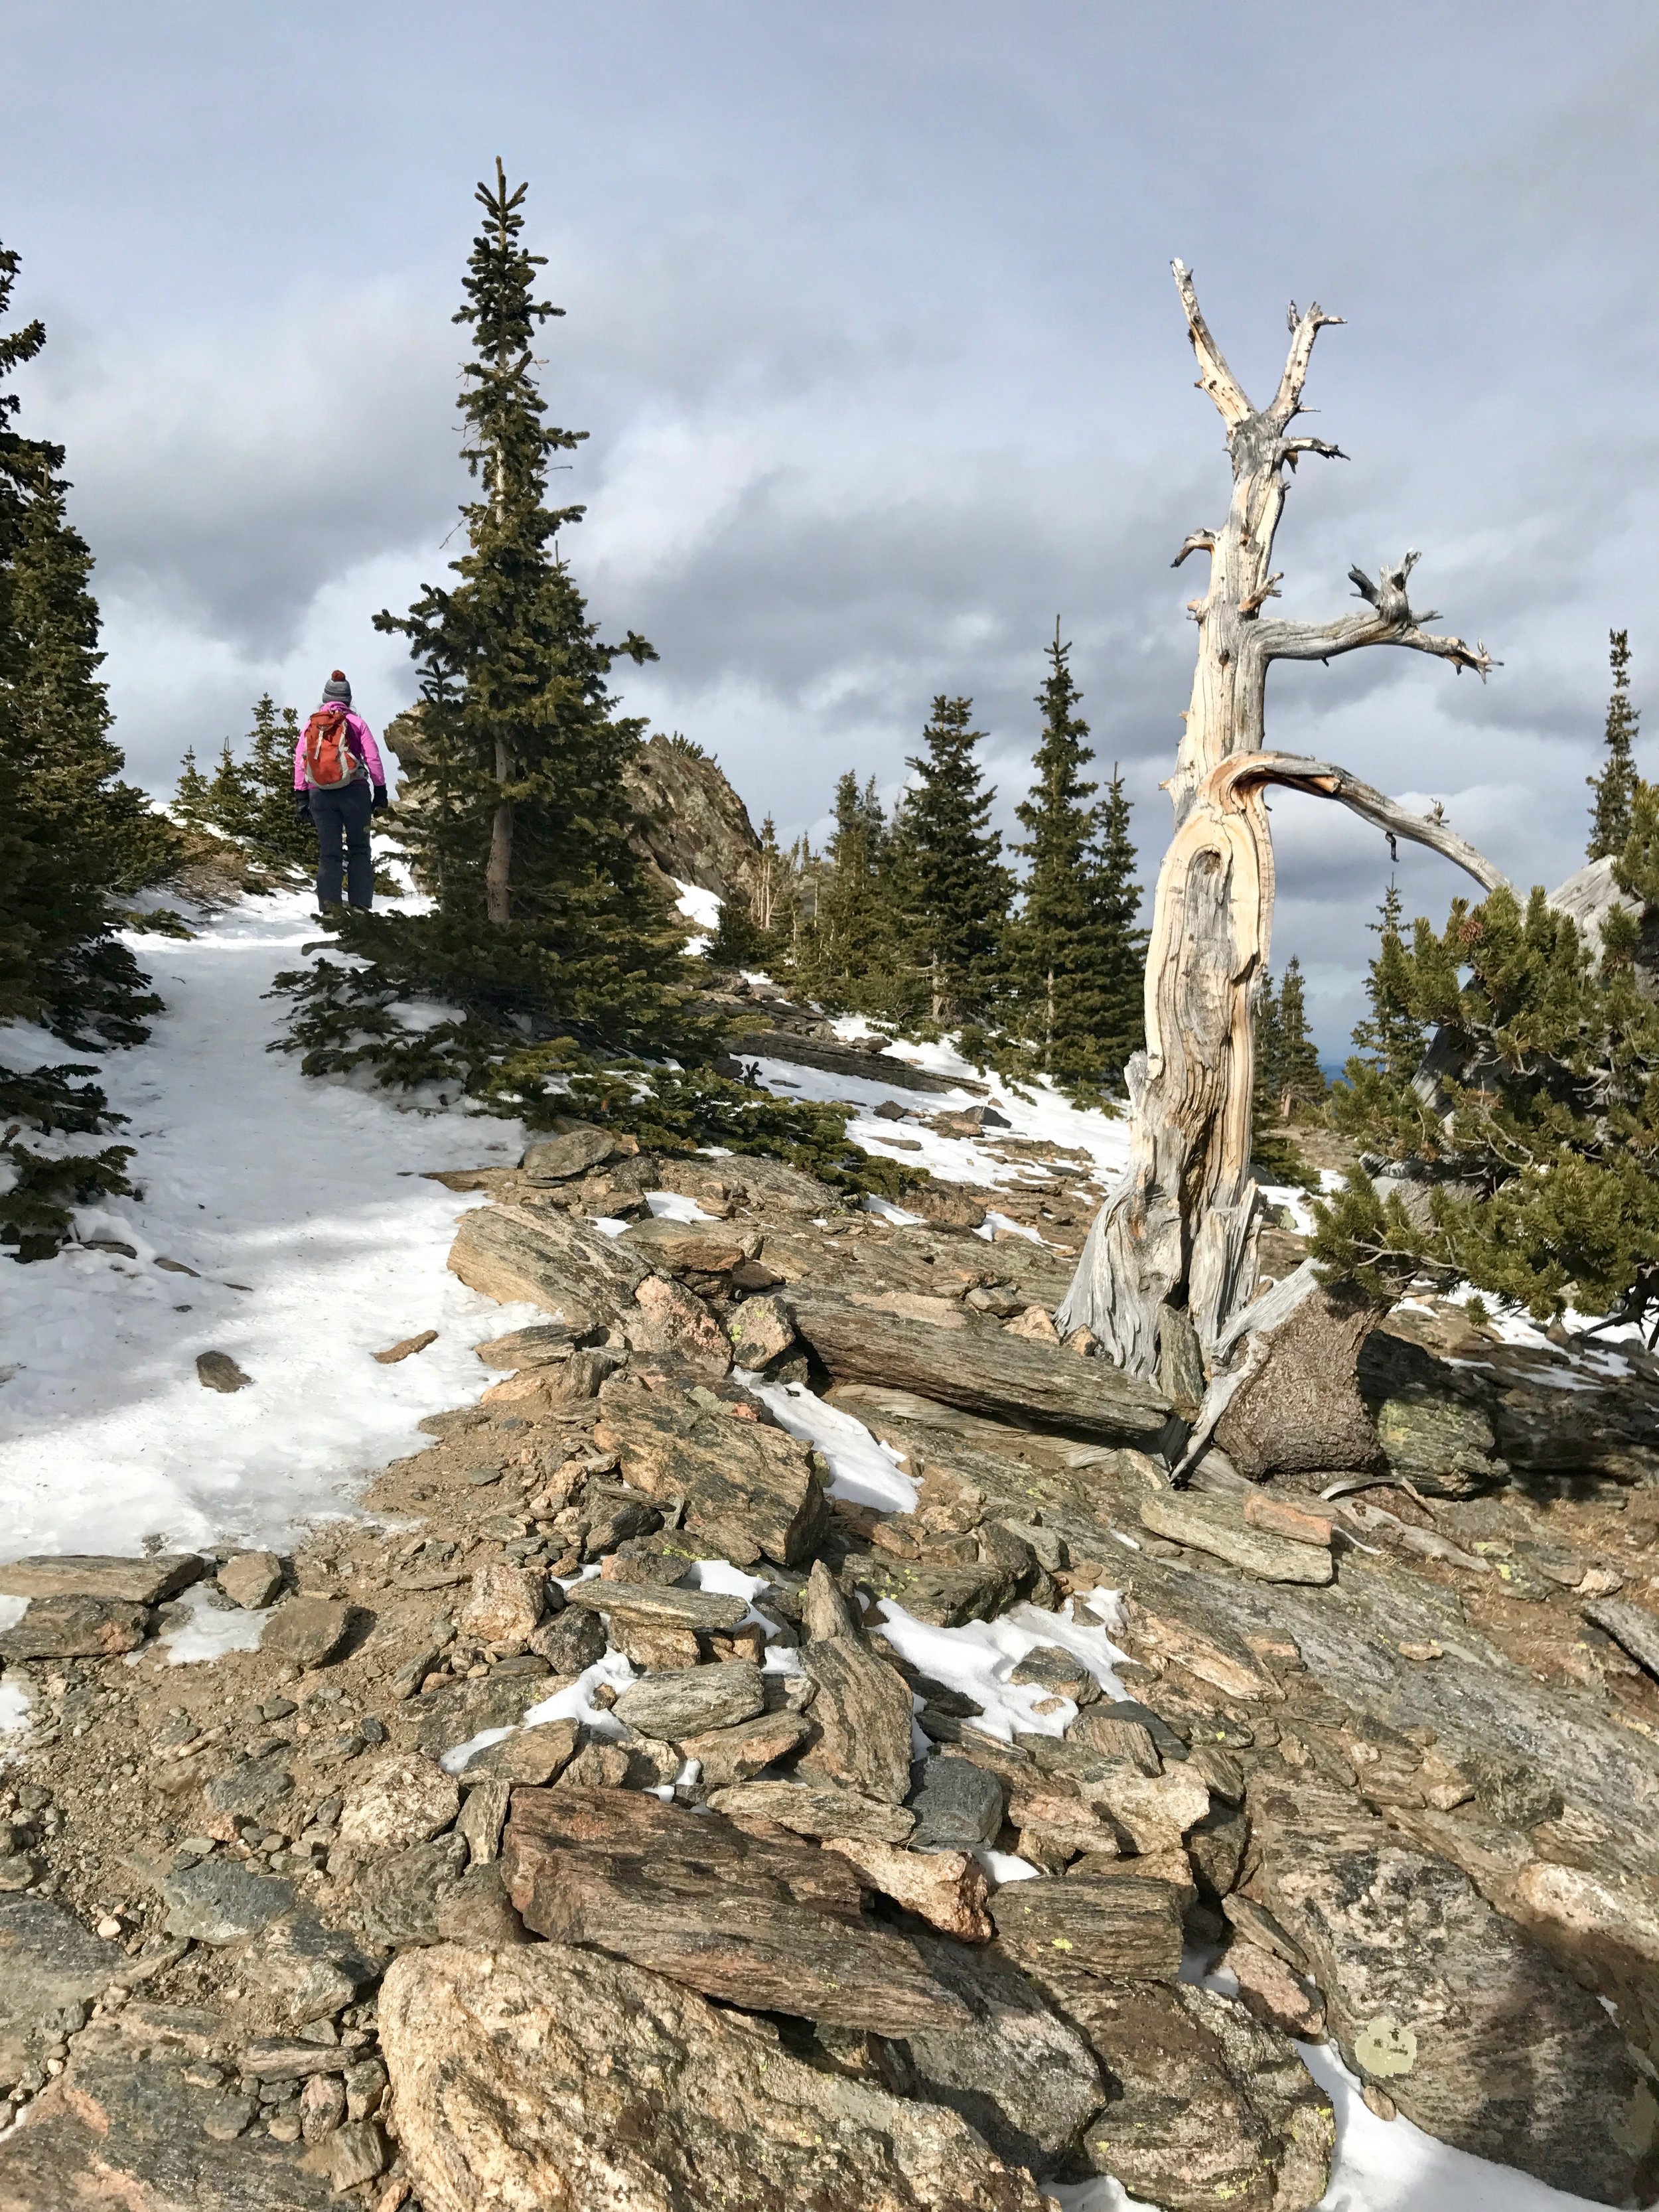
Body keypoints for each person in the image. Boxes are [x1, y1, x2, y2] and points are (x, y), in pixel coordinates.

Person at [293, 671, 388, 911]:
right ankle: (360, 907)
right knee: (359, 849)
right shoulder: (357, 723)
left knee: (329, 853)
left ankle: (329, 909)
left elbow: (299, 760)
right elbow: (373, 758)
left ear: (325, 698)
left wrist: (301, 795)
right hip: (354, 791)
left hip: (320, 793)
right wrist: (380, 790)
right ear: (348, 699)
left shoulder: (311, 724)